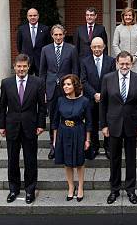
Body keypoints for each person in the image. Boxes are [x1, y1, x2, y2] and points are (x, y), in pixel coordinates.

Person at [0, 54, 46, 205]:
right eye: (19, 66)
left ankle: (30, 190)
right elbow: (2, 106)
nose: (21, 69)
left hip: (30, 127)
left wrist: (41, 125)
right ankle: (14, 189)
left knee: (30, 160)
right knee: (12, 160)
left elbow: (42, 107)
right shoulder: (6, 83)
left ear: (28, 66)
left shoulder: (37, 82)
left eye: (24, 66)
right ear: (14, 67)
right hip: (12, 126)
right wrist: (1, 125)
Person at [100, 51, 137, 205]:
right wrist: (103, 125)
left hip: (132, 124)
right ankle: (114, 189)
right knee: (114, 159)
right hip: (113, 124)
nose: (124, 66)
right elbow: (103, 104)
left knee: (131, 159)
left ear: (131, 64)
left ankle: (131, 190)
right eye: (122, 63)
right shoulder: (108, 78)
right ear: (117, 64)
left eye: (127, 63)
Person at [39, 24, 79, 160]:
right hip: (51, 90)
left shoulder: (72, 49)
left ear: (64, 34)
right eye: (55, 35)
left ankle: (67, 146)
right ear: (52, 36)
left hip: (67, 89)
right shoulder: (45, 49)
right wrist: (43, 91)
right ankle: (54, 146)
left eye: (60, 35)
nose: (58, 37)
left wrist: (75, 90)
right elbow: (42, 72)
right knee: (54, 119)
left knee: (68, 118)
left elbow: (75, 71)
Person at [52, 74, 92, 202]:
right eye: (64, 84)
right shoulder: (60, 100)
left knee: (79, 162)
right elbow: (55, 121)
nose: (65, 87)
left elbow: (89, 122)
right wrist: (54, 139)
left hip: (78, 132)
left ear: (75, 85)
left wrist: (88, 139)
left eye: (68, 84)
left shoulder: (85, 101)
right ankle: (70, 187)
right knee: (67, 162)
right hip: (63, 132)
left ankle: (80, 187)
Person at [80, 37, 116, 159]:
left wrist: (102, 94)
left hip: (106, 99)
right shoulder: (84, 61)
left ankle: (108, 148)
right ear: (91, 48)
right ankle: (94, 147)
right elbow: (83, 81)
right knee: (92, 123)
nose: (97, 49)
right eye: (94, 47)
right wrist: (94, 94)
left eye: (99, 46)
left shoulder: (111, 61)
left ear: (104, 47)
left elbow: (112, 79)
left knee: (107, 123)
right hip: (90, 99)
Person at [16, 8, 50, 75]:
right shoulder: (22, 29)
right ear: (27, 17)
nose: (32, 17)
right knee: (27, 81)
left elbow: (48, 44)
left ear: (38, 16)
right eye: (30, 16)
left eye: (34, 15)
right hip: (26, 61)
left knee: (40, 81)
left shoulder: (45, 29)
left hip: (40, 60)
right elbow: (19, 45)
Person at [112, 7, 137, 72]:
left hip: (135, 61)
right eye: (126, 15)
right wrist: (121, 57)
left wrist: (135, 57)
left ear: (133, 17)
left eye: (130, 15)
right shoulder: (118, 28)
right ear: (123, 17)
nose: (128, 17)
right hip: (122, 61)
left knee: (135, 79)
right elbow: (115, 44)